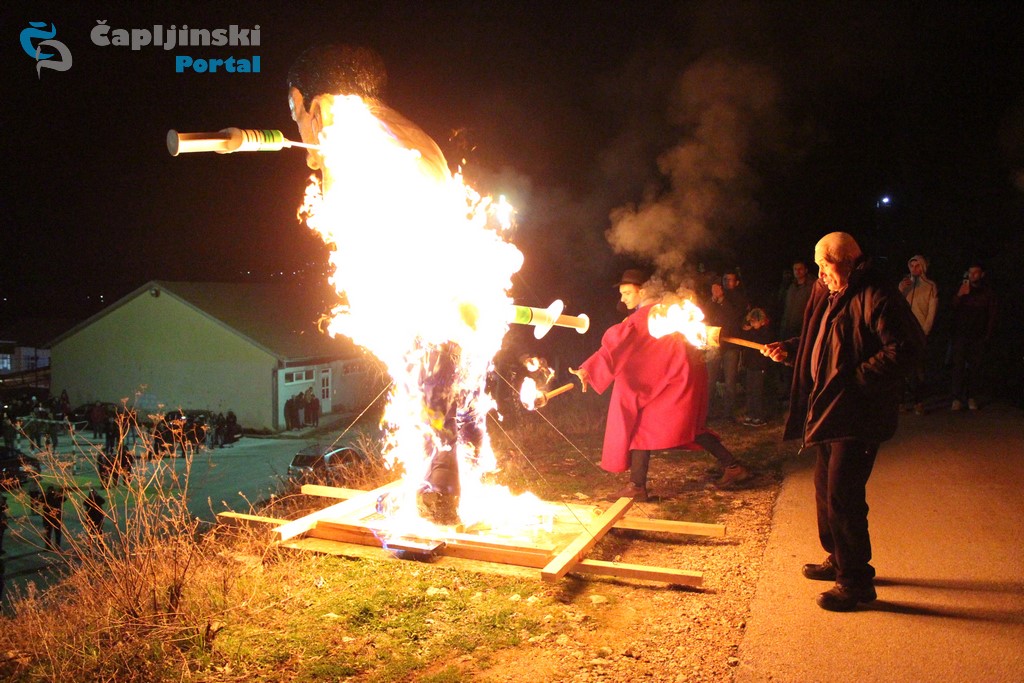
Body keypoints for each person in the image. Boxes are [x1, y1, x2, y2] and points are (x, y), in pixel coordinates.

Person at [763, 232, 924, 611]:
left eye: (826, 265)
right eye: (817, 265)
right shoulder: (832, 291)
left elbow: (906, 348)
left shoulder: (877, 294)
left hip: (858, 413)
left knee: (843, 497)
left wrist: (854, 381)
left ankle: (855, 582)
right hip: (829, 411)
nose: (820, 273)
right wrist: (791, 349)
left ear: (849, 261)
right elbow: (823, 337)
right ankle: (838, 558)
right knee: (825, 490)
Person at [570, 269, 751, 501]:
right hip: (679, 381)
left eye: (627, 293)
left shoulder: (646, 316)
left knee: (648, 430)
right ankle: (734, 468)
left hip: (674, 384)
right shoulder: (664, 312)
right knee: (690, 429)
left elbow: (615, 345)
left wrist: (589, 368)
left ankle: (637, 487)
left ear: (643, 291)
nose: (622, 298)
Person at [949, 262, 997, 411]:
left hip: (978, 336)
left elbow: (992, 315)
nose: (972, 276)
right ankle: (956, 398)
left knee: (975, 368)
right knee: (958, 367)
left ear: (982, 274)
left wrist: (987, 335)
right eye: (970, 273)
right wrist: (959, 295)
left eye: (976, 273)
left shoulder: (988, 293)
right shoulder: (963, 289)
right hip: (960, 335)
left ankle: (971, 397)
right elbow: (951, 309)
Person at [704, 269, 749, 421]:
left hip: (732, 345)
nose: (728, 283)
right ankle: (707, 412)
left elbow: (734, 316)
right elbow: (705, 313)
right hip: (714, 344)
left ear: (736, 282)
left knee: (730, 380)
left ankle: (728, 413)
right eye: (725, 279)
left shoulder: (739, 298)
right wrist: (713, 299)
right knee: (710, 380)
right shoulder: (715, 298)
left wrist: (722, 299)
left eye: (731, 280)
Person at [898, 255, 939, 413]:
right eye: (912, 266)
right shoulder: (904, 285)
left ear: (923, 267)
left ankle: (918, 402)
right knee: (901, 367)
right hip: (903, 331)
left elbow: (931, 312)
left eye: (917, 266)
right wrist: (901, 291)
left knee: (918, 368)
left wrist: (924, 332)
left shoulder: (930, 286)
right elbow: (895, 306)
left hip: (919, 332)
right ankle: (900, 402)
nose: (914, 269)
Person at [740, 308, 773, 427]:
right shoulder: (751, 332)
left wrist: (751, 332)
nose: (752, 324)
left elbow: (760, 342)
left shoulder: (765, 332)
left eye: (754, 322)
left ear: (762, 321)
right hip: (750, 365)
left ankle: (758, 416)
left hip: (760, 366)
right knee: (750, 390)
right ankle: (750, 414)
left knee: (758, 391)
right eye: (751, 322)